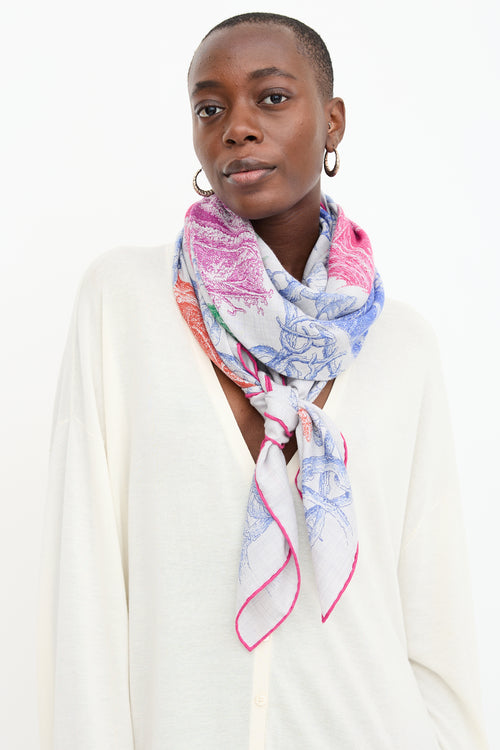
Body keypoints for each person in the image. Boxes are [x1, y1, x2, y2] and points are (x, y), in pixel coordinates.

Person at [37, 12, 489, 750]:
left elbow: (438, 626)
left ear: (332, 121)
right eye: (209, 108)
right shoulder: (122, 304)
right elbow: (82, 589)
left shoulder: (402, 347)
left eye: (271, 98)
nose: (236, 128)